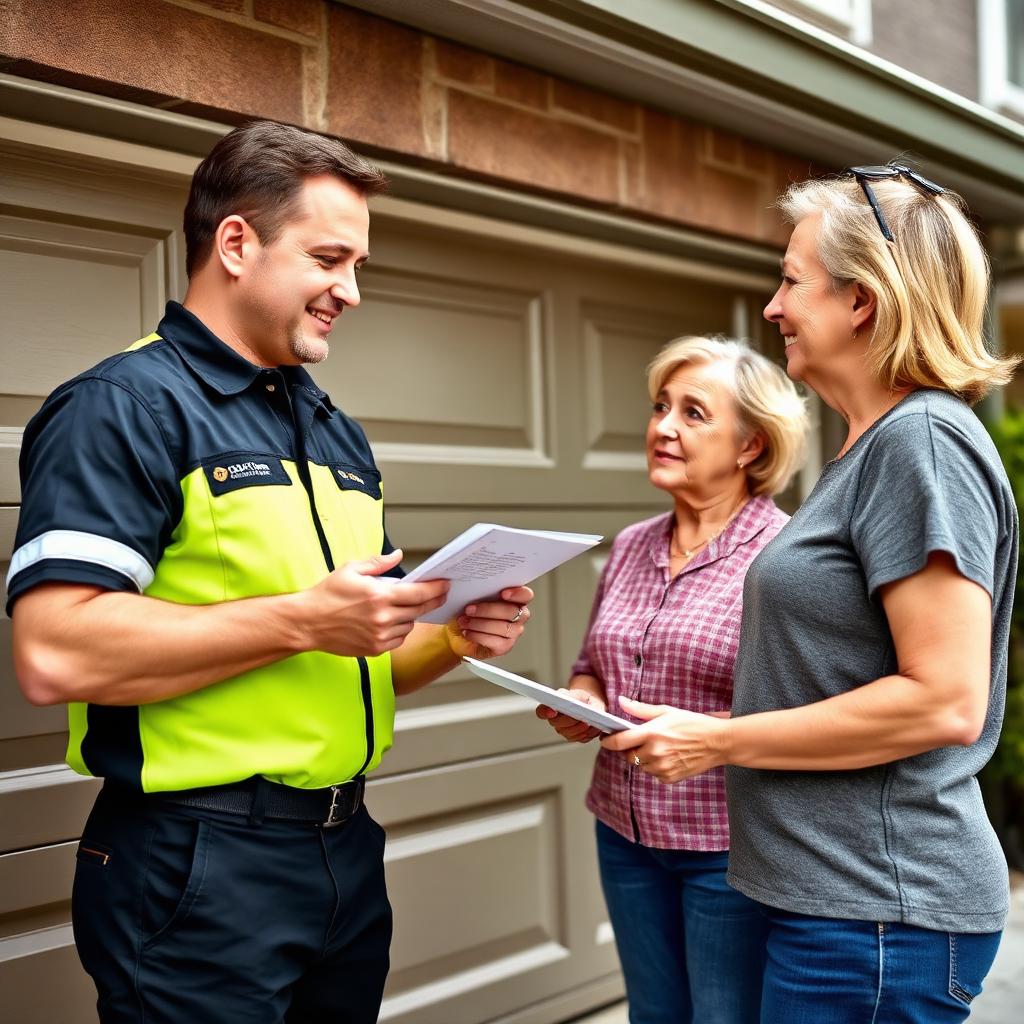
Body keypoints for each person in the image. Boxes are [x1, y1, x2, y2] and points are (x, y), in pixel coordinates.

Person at [6, 119, 533, 1024]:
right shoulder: (122, 407)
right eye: (330, 258)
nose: (351, 291)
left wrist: (448, 639)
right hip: (195, 864)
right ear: (237, 243)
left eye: (359, 265)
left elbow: (341, 666)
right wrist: (302, 618)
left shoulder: (332, 430)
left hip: (342, 854)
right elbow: (54, 654)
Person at [603, 164, 1019, 1023]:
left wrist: (718, 741)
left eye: (792, 280)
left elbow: (943, 701)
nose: (773, 306)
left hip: (876, 915)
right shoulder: (872, 450)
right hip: (834, 904)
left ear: (861, 300)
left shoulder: (924, 445)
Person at [537, 335, 809, 1024]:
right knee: (654, 1015)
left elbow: (811, 717)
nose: (661, 427)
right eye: (661, 406)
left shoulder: (786, 560)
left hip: (726, 849)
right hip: (623, 833)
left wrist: (710, 737)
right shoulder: (631, 543)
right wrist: (583, 701)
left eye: (693, 413)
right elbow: (591, 668)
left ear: (750, 445)